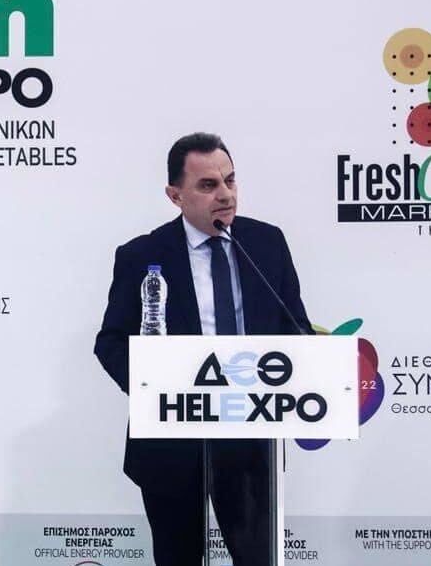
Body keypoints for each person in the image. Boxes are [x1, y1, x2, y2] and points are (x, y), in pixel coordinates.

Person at [94, 132, 312, 566]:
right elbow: (111, 342)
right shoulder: (141, 255)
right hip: (172, 445)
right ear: (175, 195)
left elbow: (295, 327)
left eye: (230, 180)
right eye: (208, 185)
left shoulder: (267, 244)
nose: (225, 195)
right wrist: (156, 389)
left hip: (250, 440)